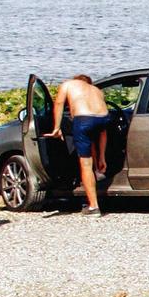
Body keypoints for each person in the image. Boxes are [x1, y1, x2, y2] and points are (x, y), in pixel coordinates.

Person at [52, 74, 110, 217]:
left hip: (83, 119)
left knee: (85, 165)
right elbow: (103, 132)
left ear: (76, 80)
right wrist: (102, 156)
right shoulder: (97, 90)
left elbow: (58, 103)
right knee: (93, 137)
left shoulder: (68, 84)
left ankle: (93, 207)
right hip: (103, 118)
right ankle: (99, 166)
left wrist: (57, 128)